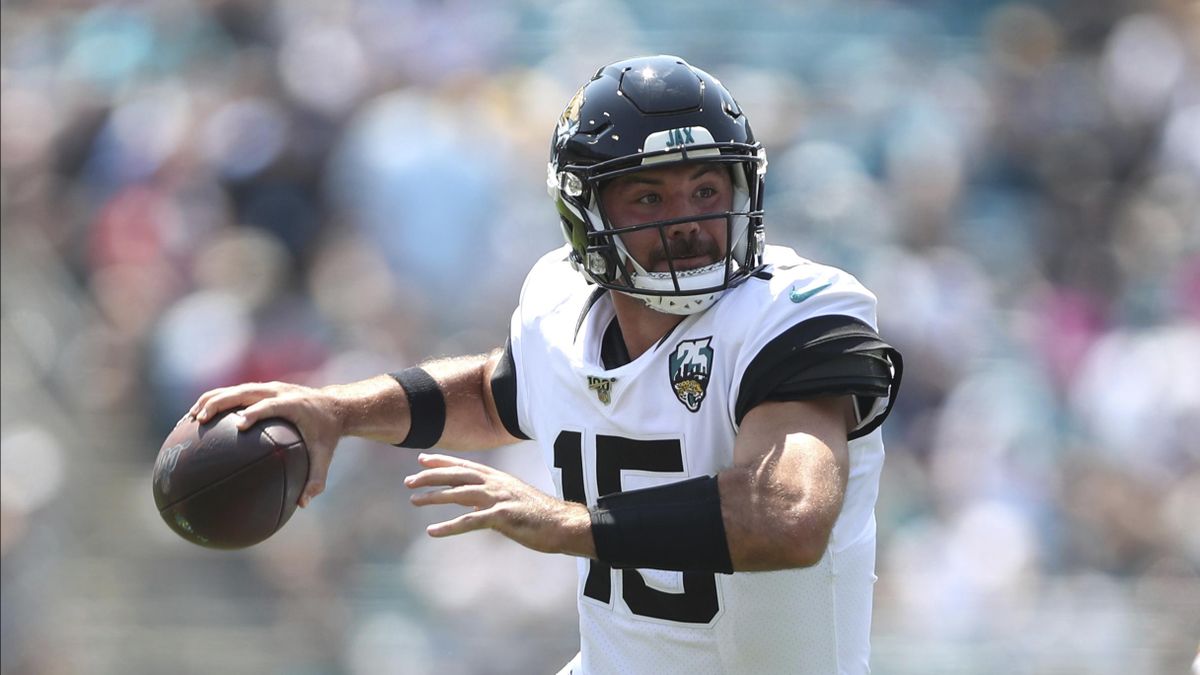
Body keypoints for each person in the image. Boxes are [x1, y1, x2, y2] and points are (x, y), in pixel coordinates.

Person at [186, 55, 903, 674]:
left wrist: (576, 523)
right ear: (586, 214)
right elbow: (496, 393)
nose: (686, 220)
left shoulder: (795, 311)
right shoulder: (563, 306)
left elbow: (789, 515)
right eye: (650, 195)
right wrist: (339, 411)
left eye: (707, 191)